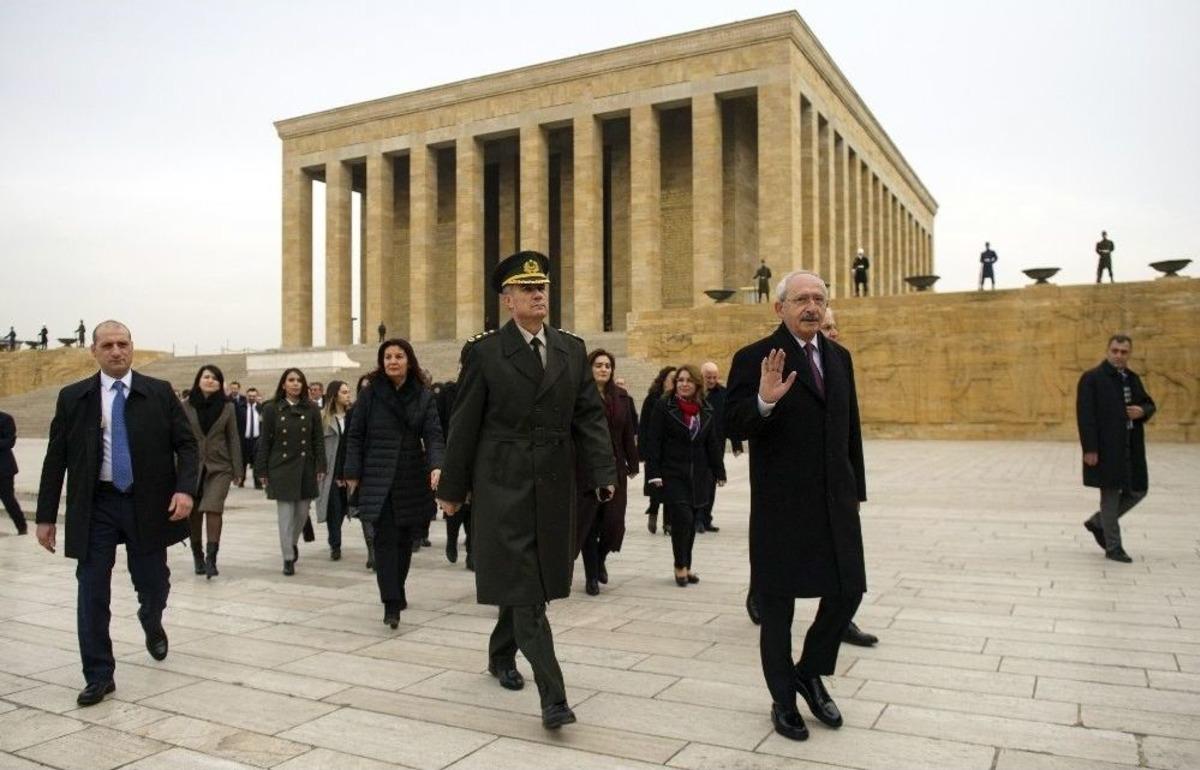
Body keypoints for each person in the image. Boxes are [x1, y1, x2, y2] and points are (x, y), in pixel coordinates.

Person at [437, 250, 616, 730]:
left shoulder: (570, 349)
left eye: (543, 288)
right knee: (527, 592)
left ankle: (500, 653)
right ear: (507, 299)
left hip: (554, 484)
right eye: (527, 289)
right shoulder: (485, 352)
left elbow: (589, 417)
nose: (538, 295)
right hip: (503, 483)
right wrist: (452, 488)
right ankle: (554, 698)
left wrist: (603, 473)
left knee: (530, 584)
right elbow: (464, 425)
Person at [725, 271, 867, 742]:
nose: (812, 307)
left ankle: (808, 671)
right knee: (777, 609)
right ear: (779, 307)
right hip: (782, 507)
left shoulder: (839, 357)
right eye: (802, 299)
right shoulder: (755, 358)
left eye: (819, 299)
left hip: (835, 500)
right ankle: (783, 700)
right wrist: (763, 402)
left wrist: (856, 489)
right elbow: (732, 424)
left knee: (849, 588)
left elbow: (850, 429)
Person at [35, 320, 197, 707]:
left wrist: (185, 489)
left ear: (132, 347)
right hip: (98, 506)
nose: (116, 351)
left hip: (148, 504)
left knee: (154, 582)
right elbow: (55, 459)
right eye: (107, 345)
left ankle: (151, 618)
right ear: (94, 351)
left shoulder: (158, 392)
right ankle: (98, 674)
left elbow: (188, 446)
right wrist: (45, 516)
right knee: (91, 589)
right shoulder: (74, 398)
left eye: (122, 343)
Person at [345, 340, 444, 628]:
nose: (392, 361)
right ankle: (391, 602)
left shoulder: (423, 396)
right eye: (387, 356)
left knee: (405, 541)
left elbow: (433, 435)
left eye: (399, 356)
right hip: (378, 475)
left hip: (410, 475)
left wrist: (437, 465)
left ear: (409, 361)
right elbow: (355, 434)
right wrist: (352, 471)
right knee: (385, 539)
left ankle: (396, 588)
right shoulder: (370, 393)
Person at [645, 364, 726, 587]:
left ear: (697, 384)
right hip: (672, 472)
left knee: (689, 523)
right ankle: (680, 565)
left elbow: (712, 443)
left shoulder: (706, 409)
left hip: (698, 474)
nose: (683, 384)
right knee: (683, 518)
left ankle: (687, 565)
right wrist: (653, 473)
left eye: (688, 380)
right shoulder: (664, 406)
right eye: (680, 380)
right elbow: (654, 441)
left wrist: (719, 470)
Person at [1077, 334, 1155, 563]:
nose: (1119, 355)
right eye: (1115, 351)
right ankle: (1114, 547)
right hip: (1106, 448)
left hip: (1131, 445)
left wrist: (1142, 411)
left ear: (1129, 353)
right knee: (1110, 495)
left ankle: (1098, 521)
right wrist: (1090, 449)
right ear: (1108, 350)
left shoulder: (1132, 378)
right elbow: (1085, 416)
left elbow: (1148, 403)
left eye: (1124, 352)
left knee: (1138, 490)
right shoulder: (1092, 378)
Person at [576, 349, 639, 596]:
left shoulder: (622, 398)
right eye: (598, 365)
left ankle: (600, 558)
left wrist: (633, 462)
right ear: (589, 368)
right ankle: (591, 576)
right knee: (590, 523)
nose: (604, 369)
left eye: (608, 366)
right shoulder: (580, 397)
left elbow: (628, 433)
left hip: (616, 468)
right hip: (588, 468)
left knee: (614, 525)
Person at [255, 368, 325, 575]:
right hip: (281, 467)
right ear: (283, 384)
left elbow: (318, 440)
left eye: (299, 380)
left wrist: (321, 465)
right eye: (291, 380)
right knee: (285, 515)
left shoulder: (311, 408)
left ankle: (291, 543)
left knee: (302, 514)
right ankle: (287, 558)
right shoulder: (271, 408)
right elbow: (265, 442)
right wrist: (262, 470)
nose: (295, 383)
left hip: (306, 466)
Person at [181, 365, 242, 579]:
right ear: (198, 380)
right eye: (206, 377)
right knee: (194, 513)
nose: (210, 381)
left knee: (214, 508)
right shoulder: (185, 406)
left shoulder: (228, 407)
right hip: (192, 466)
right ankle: (197, 555)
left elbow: (233, 438)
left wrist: (238, 469)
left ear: (220, 383)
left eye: (215, 378)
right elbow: (179, 438)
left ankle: (211, 558)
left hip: (220, 467)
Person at [434, 364, 473, 570]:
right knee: (454, 503)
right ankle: (452, 540)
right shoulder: (448, 393)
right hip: (453, 454)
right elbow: (439, 424)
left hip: (475, 457)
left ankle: (472, 552)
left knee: (474, 508)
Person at [698, 361, 743, 533]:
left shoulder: (723, 394)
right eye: (708, 377)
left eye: (714, 377)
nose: (711, 380)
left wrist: (736, 443)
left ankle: (706, 518)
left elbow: (731, 419)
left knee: (711, 482)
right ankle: (697, 518)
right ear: (701, 377)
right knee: (700, 482)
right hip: (697, 446)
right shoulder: (695, 393)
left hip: (717, 445)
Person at [638, 366, 676, 535]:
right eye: (671, 379)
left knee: (671, 487)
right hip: (654, 450)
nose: (674, 382)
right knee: (656, 485)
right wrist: (642, 451)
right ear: (663, 380)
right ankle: (653, 511)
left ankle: (668, 523)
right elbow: (643, 426)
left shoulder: (678, 400)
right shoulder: (652, 399)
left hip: (671, 451)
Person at [316, 380, 351, 560]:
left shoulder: (353, 416)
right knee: (334, 509)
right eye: (344, 392)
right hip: (330, 471)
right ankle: (335, 544)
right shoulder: (323, 417)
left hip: (350, 470)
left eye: (349, 392)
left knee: (346, 507)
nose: (348, 395)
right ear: (334, 395)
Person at [1, 409, 27, 534]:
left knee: (8, 499)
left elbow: (10, 441)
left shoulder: (6, 419)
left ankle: (21, 526)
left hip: (3, 468)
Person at [237, 387, 263, 488]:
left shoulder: (261, 408)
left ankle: (258, 483)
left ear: (256, 396)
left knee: (257, 461)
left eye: (254, 396)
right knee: (243, 461)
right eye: (250, 396)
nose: (252, 398)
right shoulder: (240, 408)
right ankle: (241, 480)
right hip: (244, 439)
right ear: (246, 396)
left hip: (257, 439)